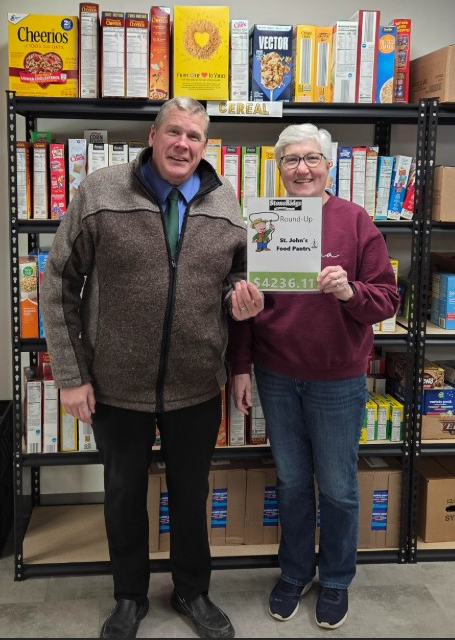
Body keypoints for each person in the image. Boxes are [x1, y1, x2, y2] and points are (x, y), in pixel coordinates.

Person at [41, 96, 264, 639]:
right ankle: (128, 596)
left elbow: (236, 275)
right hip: (116, 384)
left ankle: (192, 591)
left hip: (196, 383)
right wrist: (71, 376)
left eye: (195, 136)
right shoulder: (101, 192)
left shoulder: (227, 202)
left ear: (205, 146)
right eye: (174, 132)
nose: (183, 144)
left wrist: (240, 298)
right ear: (153, 136)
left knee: (191, 494)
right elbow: (59, 282)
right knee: (122, 494)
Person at [227, 123, 400, 630]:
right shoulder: (262, 221)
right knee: (292, 482)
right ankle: (295, 572)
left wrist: (350, 292)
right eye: (291, 160)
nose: (302, 168)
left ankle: (338, 578)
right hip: (276, 374)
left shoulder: (355, 221)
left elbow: (387, 300)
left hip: (337, 380)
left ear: (328, 166)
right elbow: (245, 307)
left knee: (340, 488)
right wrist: (240, 366)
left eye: (311, 159)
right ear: (278, 168)